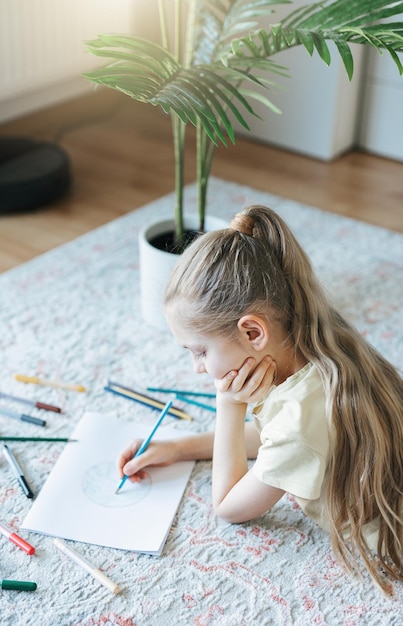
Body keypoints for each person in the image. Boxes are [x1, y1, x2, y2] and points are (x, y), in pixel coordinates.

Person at [118, 205, 403, 591]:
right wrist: (180, 448)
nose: (197, 369)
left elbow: (229, 507)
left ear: (253, 333)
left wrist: (229, 408)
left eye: (200, 351)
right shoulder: (319, 338)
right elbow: (272, 442)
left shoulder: (299, 423)